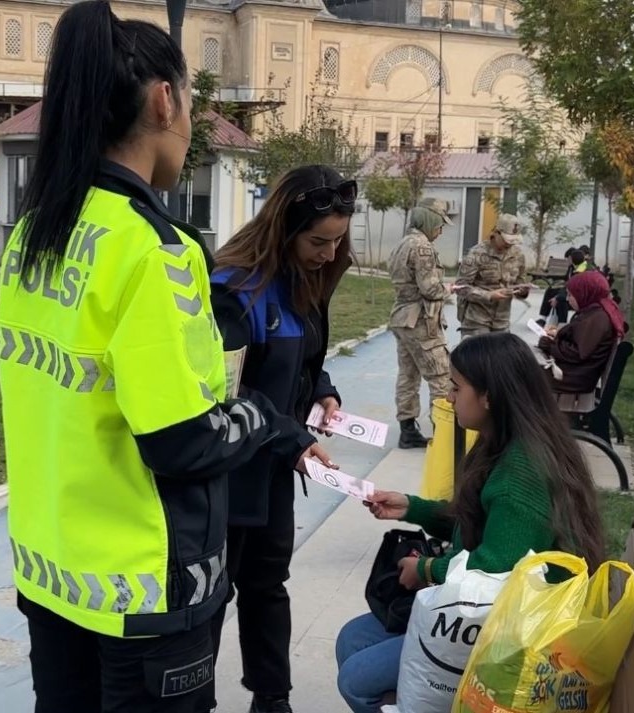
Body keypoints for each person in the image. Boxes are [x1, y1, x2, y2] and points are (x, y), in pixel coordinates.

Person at [0, 4, 275, 711]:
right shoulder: (154, 248)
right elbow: (181, 441)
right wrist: (265, 416)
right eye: (190, 102)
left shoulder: (34, 235)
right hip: (145, 592)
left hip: (52, 574)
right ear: (163, 99)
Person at [334, 332, 607, 713]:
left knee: (356, 680)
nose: (449, 397)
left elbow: (498, 569)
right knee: (352, 639)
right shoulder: (503, 440)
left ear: (489, 397)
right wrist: (411, 508)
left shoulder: (522, 472)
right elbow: (477, 519)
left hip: (517, 637)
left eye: (457, 387)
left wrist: (428, 569)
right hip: (487, 618)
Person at [205, 165, 356, 713]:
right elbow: (229, 389)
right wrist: (292, 438)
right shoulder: (234, 292)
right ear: (284, 229)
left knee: (268, 585)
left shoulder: (303, 283)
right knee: (213, 597)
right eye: (318, 240)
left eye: (338, 241)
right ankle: (196, 699)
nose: (328, 253)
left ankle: (272, 698)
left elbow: (303, 361)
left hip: (276, 472)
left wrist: (324, 390)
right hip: (231, 471)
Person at [389, 206, 451, 449]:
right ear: (429, 222)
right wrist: (450, 290)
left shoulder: (402, 244)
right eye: (439, 224)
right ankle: (445, 433)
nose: (441, 231)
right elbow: (430, 288)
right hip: (421, 321)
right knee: (441, 376)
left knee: (408, 375)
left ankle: (407, 430)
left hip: (402, 317)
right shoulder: (423, 247)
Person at [539, 270, 627, 394]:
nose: (568, 299)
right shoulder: (596, 311)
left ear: (585, 293)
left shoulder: (597, 318)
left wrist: (548, 344)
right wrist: (557, 336)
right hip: (576, 373)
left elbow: (577, 353)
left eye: (570, 295)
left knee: (516, 374)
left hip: (572, 379)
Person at [454, 213, 528, 338]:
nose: (509, 244)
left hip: (502, 322)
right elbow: (460, 287)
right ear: (496, 233)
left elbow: (520, 282)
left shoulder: (518, 255)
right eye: (507, 240)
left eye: (513, 241)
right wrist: (489, 295)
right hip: (476, 321)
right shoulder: (476, 254)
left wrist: (522, 290)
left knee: (500, 357)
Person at [536, 248, 589, 328]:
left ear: (571, 258)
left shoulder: (581, 271)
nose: (566, 261)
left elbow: (571, 288)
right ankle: (543, 319)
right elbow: (566, 279)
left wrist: (557, 297)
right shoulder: (572, 267)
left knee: (561, 300)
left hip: (578, 298)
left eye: (567, 259)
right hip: (570, 292)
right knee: (550, 290)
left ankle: (562, 324)